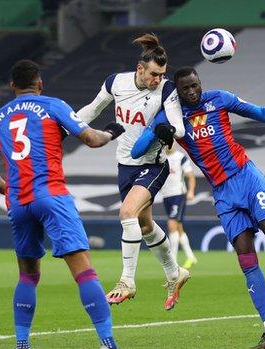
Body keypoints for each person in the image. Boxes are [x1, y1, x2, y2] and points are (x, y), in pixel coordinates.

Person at [131, 67, 265, 349]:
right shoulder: (172, 115)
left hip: (247, 177)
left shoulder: (220, 99)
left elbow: (264, 114)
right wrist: (158, 131)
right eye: (186, 89)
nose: (193, 91)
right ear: (178, 91)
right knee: (246, 259)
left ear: (200, 83)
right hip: (222, 193)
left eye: (195, 85)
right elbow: (137, 150)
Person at [0, 59, 124, 349]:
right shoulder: (52, 105)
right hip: (52, 195)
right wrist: (110, 132)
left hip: (19, 202)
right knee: (84, 271)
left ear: (12, 86)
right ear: (40, 84)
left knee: (28, 274)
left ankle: (22, 345)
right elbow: (91, 139)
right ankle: (107, 344)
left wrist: (10, 190)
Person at [76, 33, 189, 310]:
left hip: (153, 165)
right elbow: (91, 111)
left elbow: (181, 128)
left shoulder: (166, 90)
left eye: (162, 74)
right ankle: (176, 273)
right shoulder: (116, 82)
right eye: (153, 74)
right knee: (144, 225)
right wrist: (64, 125)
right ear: (140, 68)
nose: (157, 79)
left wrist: (167, 131)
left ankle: (127, 281)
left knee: (126, 213)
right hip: (125, 164)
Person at [160, 145, 198, 268]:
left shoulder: (181, 157)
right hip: (166, 195)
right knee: (178, 227)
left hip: (178, 194)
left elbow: (190, 176)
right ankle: (191, 257)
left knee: (172, 224)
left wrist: (191, 191)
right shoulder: (161, 157)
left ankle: (173, 261)